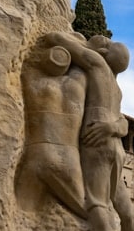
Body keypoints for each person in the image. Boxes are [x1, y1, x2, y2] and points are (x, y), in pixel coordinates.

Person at [46, 31, 134, 231]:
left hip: (97, 143)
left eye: (107, 43)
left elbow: (58, 41)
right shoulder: (117, 89)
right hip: (117, 147)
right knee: (125, 209)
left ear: (104, 54)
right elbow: (123, 124)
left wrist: (59, 36)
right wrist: (112, 127)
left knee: (96, 202)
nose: (104, 38)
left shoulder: (98, 65)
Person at [18, 41, 87, 219]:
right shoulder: (78, 82)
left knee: (20, 212)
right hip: (69, 159)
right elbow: (90, 59)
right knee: (87, 212)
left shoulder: (30, 77)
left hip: (37, 154)